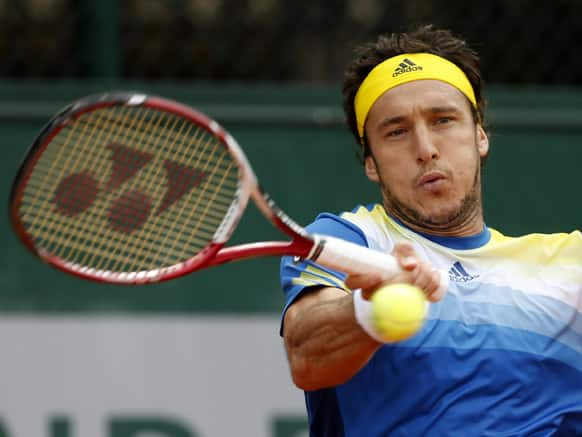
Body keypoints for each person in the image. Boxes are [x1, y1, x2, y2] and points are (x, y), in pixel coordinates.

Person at [279, 25, 582, 436]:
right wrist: (372, 309)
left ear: (479, 136)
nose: (425, 148)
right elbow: (306, 352)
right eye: (396, 131)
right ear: (371, 162)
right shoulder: (349, 240)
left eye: (443, 120)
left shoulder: (570, 265)